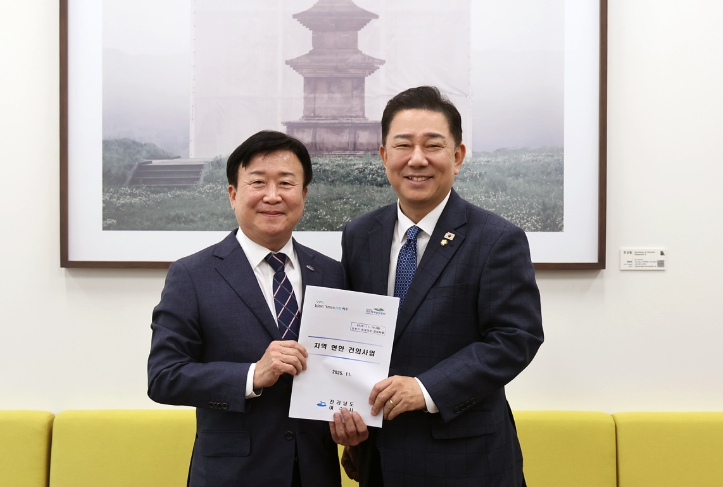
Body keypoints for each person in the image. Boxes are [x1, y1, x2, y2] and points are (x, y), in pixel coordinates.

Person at [334, 86, 544, 486]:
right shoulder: (360, 234)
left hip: (466, 461)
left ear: (458, 156)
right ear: (384, 156)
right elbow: (354, 334)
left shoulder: (497, 239)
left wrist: (426, 388)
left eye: (433, 145)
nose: (417, 159)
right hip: (379, 458)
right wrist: (345, 409)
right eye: (403, 145)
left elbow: (516, 338)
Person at [147, 130, 345, 487]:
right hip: (232, 475)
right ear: (233, 194)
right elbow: (164, 377)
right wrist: (252, 375)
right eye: (258, 182)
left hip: (315, 472)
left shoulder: (332, 273)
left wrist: (353, 420)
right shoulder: (192, 275)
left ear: (303, 195)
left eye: (286, 183)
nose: (273, 195)